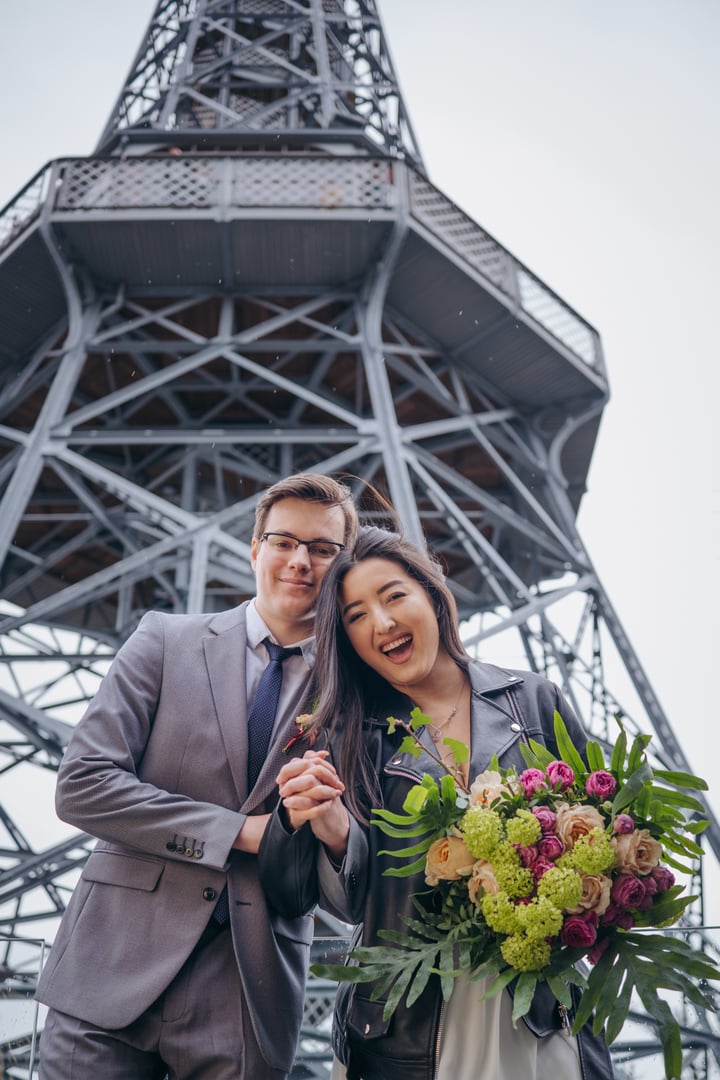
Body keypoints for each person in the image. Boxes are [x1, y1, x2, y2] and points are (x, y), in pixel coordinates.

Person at [35, 472, 358, 1080]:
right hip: (110, 966)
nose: (300, 561)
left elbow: (355, 868)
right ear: (255, 547)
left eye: (322, 549)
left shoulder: (359, 697)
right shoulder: (163, 639)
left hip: (246, 994)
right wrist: (242, 832)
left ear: (343, 565)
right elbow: (82, 783)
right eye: (283, 541)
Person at [264, 526, 614, 1079]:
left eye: (395, 596)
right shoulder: (351, 738)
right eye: (355, 616)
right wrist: (333, 832)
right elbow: (349, 903)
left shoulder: (533, 700)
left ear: (433, 594)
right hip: (408, 1027)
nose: (381, 623)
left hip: (539, 1011)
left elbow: (608, 829)